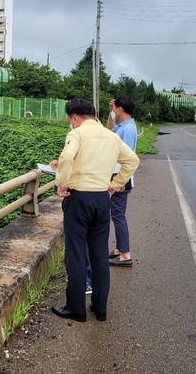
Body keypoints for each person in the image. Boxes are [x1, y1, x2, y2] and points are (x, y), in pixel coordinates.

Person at [49, 98, 139, 322]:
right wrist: (115, 185)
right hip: (101, 199)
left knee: (76, 254)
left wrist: (62, 182)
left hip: (79, 200)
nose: (70, 124)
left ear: (75, 118)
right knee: (99, 255)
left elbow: (68, 156)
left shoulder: (77, 134)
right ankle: (100, 309)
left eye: (70, 120)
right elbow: (133, 161)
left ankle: (76, 309)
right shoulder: (111, 136)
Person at [106, 97, 138, 267]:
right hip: (119, 176)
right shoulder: (125, 126)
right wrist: (111, 112)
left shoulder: (127, 130)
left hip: (121, 177)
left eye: (114, 109)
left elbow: (125, 159)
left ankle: (125, 255)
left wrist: (117, 182)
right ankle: (119, 250)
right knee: (116, 214)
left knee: (118, 215)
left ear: (120, 109)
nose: (113, 112)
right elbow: (109, 129)